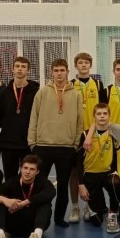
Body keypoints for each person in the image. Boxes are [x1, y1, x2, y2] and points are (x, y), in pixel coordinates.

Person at [28, 58, 83, 228]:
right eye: (56, 70)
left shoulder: (76, 94)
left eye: (62, 70)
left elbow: (79, 121)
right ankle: (39, 218)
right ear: (51, 72)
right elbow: (34, 117)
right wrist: (32, 143)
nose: (59, 74)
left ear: (67, 72)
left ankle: (59, 218)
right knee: (40, 186)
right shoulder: (42, 92)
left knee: (63, 185)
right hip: (43, 146)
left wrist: (75, 144)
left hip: (66, 147)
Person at [0, 155, 55, 238]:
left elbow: (51, 192)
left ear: (37, 172)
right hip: (13, 226)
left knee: (45, 203)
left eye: (32, 169)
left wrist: (25, 202)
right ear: (21, 168)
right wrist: (5, 200)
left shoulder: (43, 182)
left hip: (34, 225)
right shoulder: (13, 182)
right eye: (25, 168)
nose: (27, 172)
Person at [70, 52, 106, 222]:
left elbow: (103, 110)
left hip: (93, 134)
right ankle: (75, 207)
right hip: (75, 134)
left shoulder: (98, 84)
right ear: (76, 66)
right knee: (74, 172)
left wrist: (92, 132)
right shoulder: (70, 85)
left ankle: (88, 206)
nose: (83, 65)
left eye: (86, 63)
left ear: (90, 65)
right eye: (80, 63)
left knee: (90, 171)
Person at [78, 103, 120, 233]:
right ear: (94, 116)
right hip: (91, 176)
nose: (102, 116)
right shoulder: (85, 135)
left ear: (109, 116)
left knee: (115, 182)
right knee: (96, 221)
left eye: (105, 113)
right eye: (99, 114)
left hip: (108, 173)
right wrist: (81, 184)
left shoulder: (114, 133)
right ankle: (97, 205)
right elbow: (78, 162)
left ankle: (113, 214)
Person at [0, 56, 40, 181]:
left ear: (29, 70)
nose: (20, 69)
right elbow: (0, 116)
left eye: (23, 67)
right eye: (17, 66)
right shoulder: (4, 93)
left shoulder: (36, 92)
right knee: (10, 178)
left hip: (28, 143)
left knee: (28, 178)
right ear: (12, 69)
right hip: (8, 143)